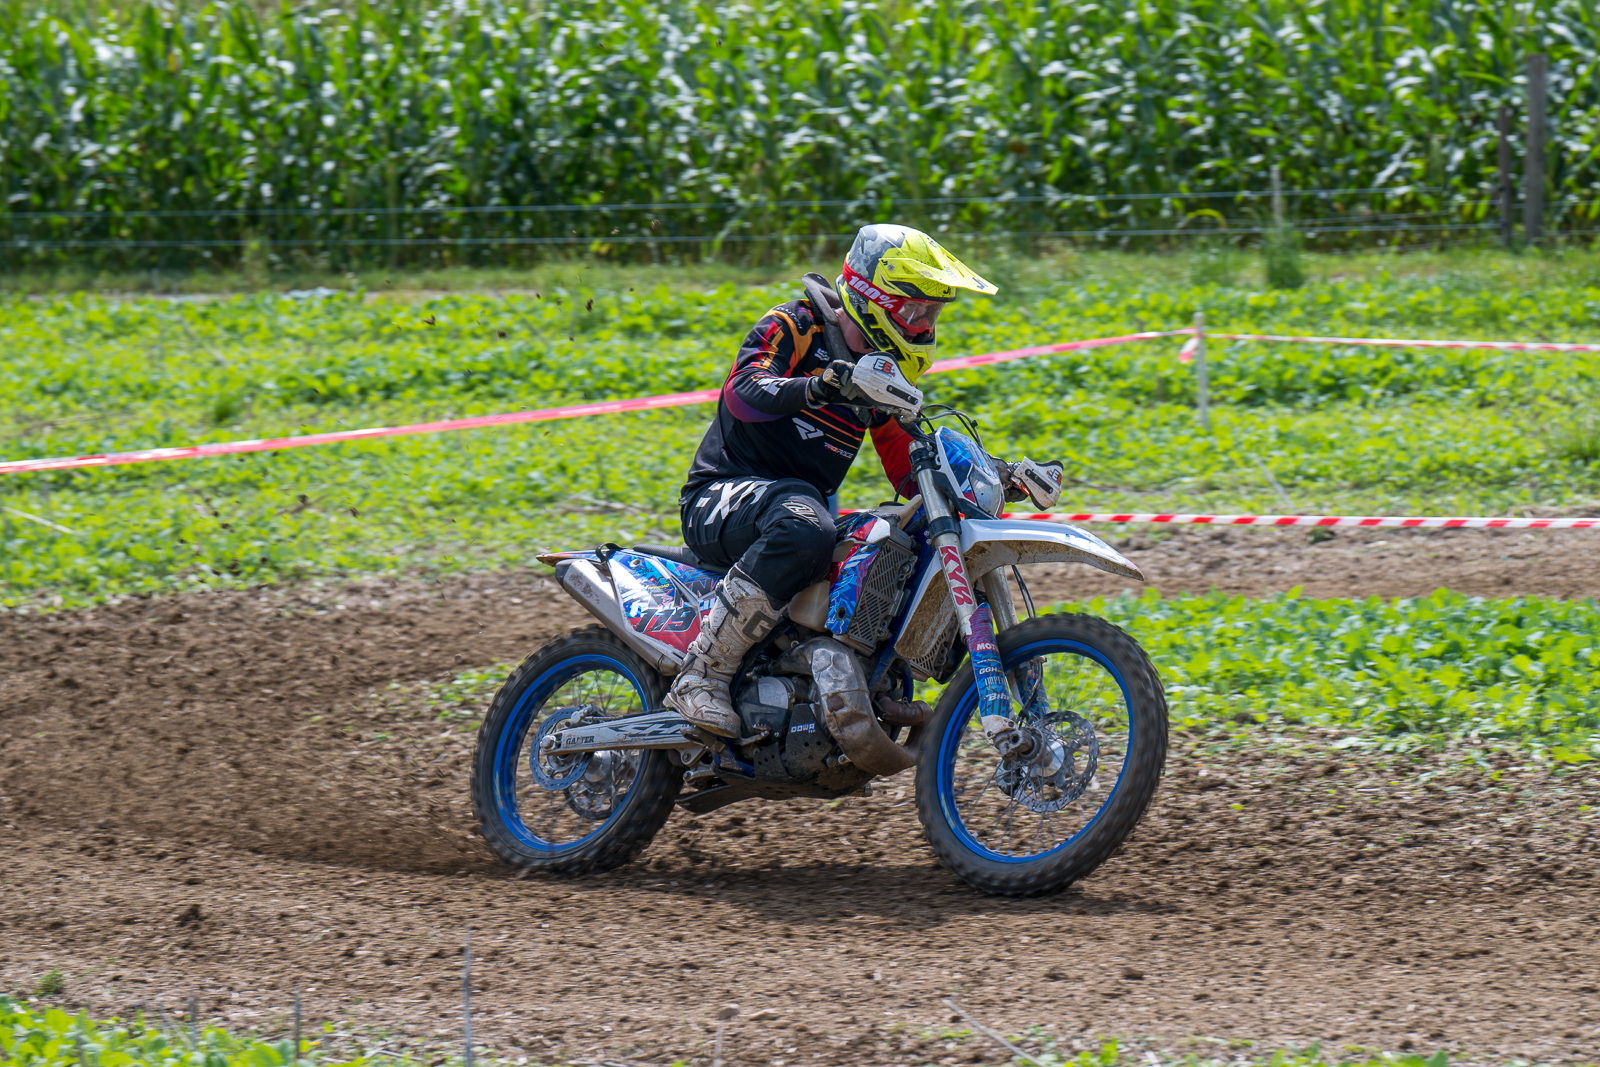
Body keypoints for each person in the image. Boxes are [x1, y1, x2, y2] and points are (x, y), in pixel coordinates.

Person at [664, 223, 997, 735]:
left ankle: (871, 676)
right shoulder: (795, 325)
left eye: (931, 314)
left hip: (793, 508)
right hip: (720, 494)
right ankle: (702, 675)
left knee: (897, 536)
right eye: (914, 312)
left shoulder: (881, 373)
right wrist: (818, 387)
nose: (923, 326)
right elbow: (742, 392)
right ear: (872, 299)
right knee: (806, 525)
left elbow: (906, 466)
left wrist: (984, 480)